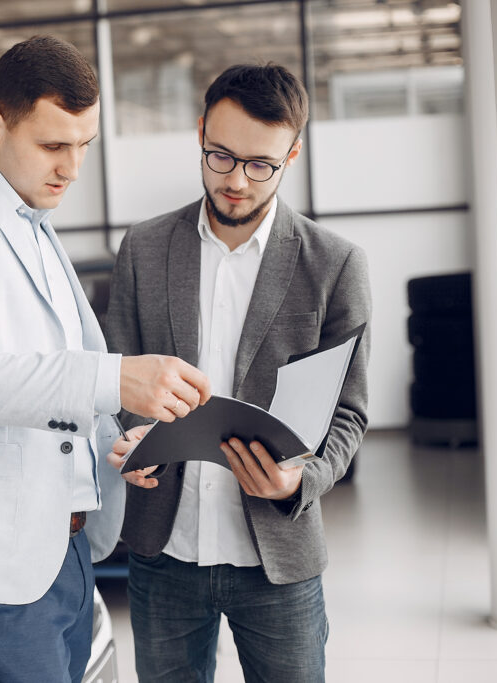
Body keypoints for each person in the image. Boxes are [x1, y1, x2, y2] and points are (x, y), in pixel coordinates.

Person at [0, 35, 210, 683]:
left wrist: (117, 438)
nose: (72, 168)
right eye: (54, 145)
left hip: (67, 546)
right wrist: (113, 378)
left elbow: (51, 368)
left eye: (84, 146)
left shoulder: (28, 211)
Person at [105, 63, 371, 683]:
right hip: (163, 553)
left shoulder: (335, 264)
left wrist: (298, 481)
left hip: (277, 559)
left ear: (292, 154)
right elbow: (118, 377)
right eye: (220, 156)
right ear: (200, 132)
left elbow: (350, 413)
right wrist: (133, 434)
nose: (236, 181)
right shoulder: (143, 249)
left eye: (261, 165)